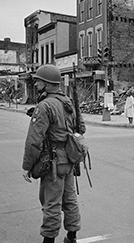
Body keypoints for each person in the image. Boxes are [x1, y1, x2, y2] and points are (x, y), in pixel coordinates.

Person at [22, 64, 86, 243]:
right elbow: (81, 129)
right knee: (70, 200)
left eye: (38, 81)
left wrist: (27, 166)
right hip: (70, 160)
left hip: (53, 162)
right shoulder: (68, 102)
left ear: (48, 84)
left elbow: (34, 140)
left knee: (51, 203)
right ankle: (71, 236)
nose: (35, 84)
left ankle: (48, 240)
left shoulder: (44, 106)